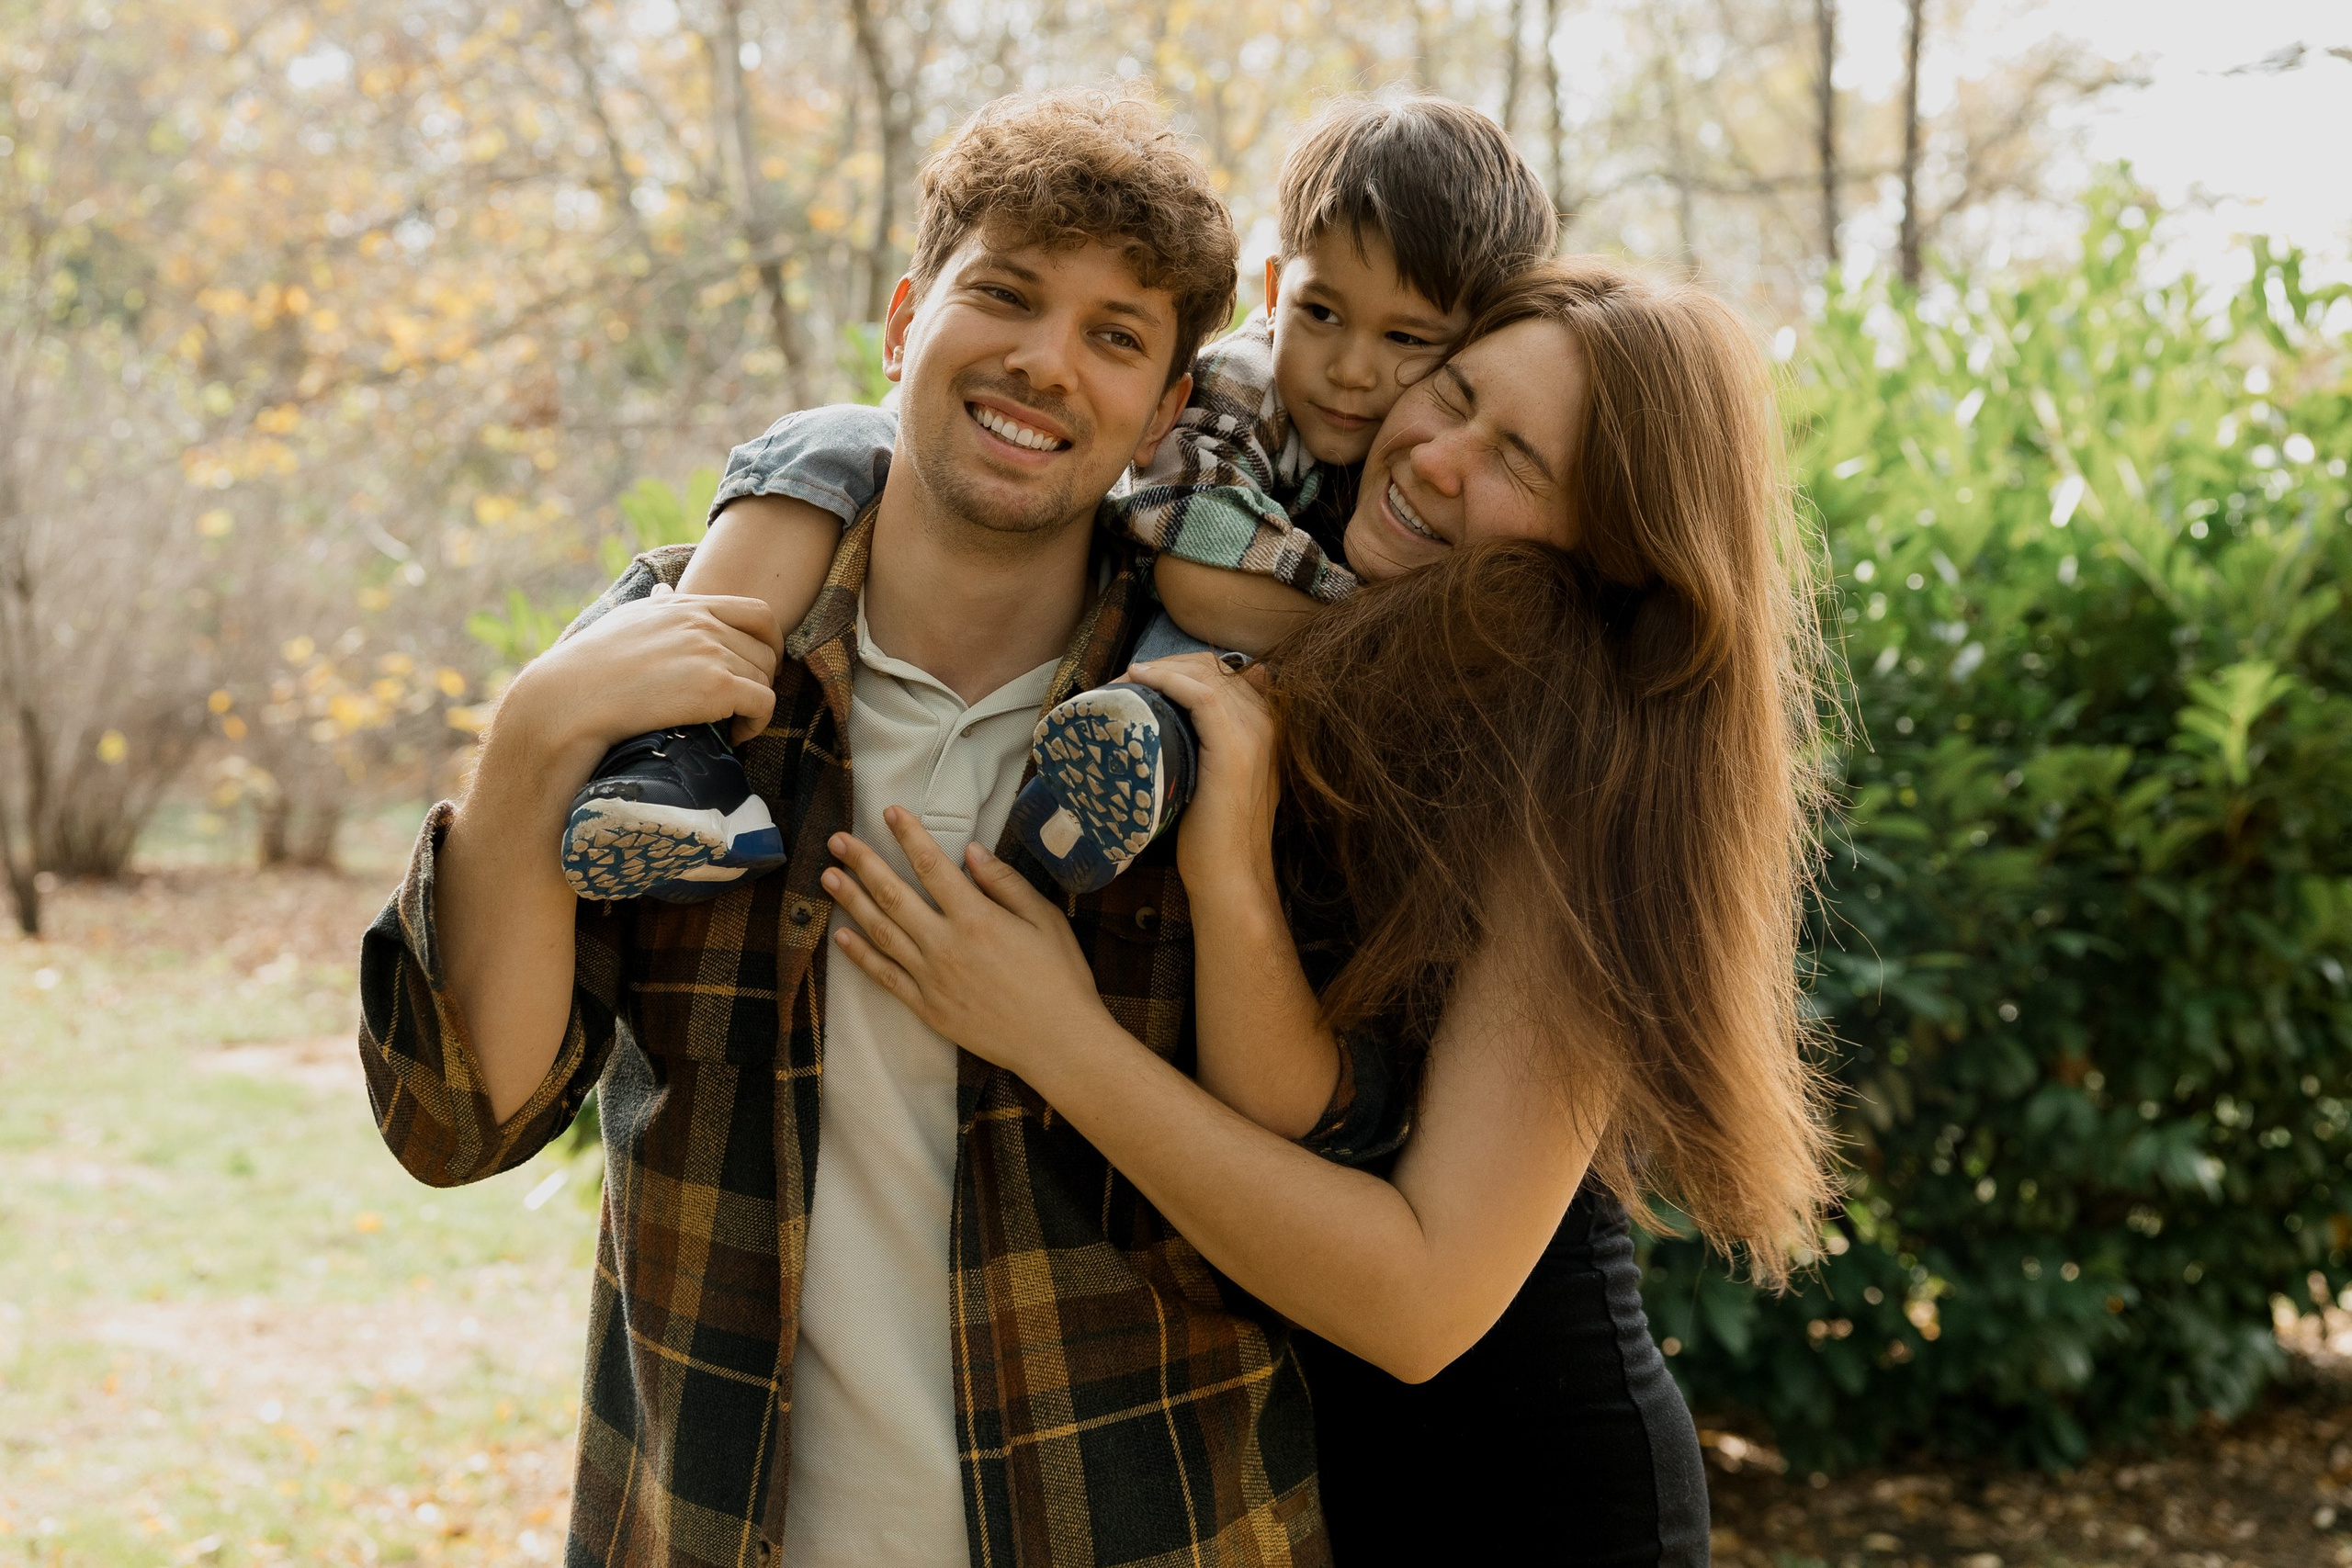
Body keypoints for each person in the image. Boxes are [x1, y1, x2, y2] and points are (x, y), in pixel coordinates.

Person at [358, 89, 1391, 1567]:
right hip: (717, 1527)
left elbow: (1339, 1176)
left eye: (1117, 334)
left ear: (1169, 410)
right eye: (1009, 296)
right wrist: (525, 753)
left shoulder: (1238, 731)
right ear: (907, 318)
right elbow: (457, 1119)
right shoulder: (690, 668)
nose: (1045, 361)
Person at [812, 258, 1841, 1565]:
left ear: (1613, 544)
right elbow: (1288, 1111)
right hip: (1293, 1475)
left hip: (1514, 1487)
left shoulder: (1577, 783)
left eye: (1519, 458)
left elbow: (1421, 1301)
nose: (1435, 455)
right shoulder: (1337, 614)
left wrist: (1056, 1038)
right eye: (1453, 390)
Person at [559, 95, 1556, 901]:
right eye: (1322, 314)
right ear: (1273, 292)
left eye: (1407, 342)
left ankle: (1114, 785)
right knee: (838, 438)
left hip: (1190, 734)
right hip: (1163, 589)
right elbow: (1199, 569)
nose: (1348, 369)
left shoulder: (1425, 488)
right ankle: (675, 750)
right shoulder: (1238, 392)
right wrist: (531, 741)